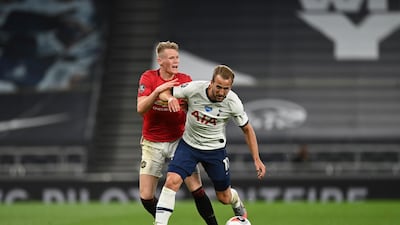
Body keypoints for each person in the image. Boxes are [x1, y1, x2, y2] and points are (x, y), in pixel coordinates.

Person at [155, 64, 267, 225]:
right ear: (211, 83)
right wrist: (171, 98)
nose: (222, 92)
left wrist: (257, 159)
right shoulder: (194, 89)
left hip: (215, 151)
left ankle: (235, 199)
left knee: (224, 197)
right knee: (172, 180)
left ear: (231, 87)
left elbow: (248, 130)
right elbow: (164, 92)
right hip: (189, 146)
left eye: (226, 89)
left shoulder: (233, 102)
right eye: (219, 87)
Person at [136, 41, 218, 225]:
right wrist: (157, 91)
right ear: (160, 61)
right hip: (152, 142)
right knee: (146, 196)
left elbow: (193, 106)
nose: (176, 61)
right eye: (171, 58)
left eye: (177, 57)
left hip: (179, 141)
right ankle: (162, 221)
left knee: (196, 188)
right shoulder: (148, 77)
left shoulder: (184, 79)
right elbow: (141, 108)